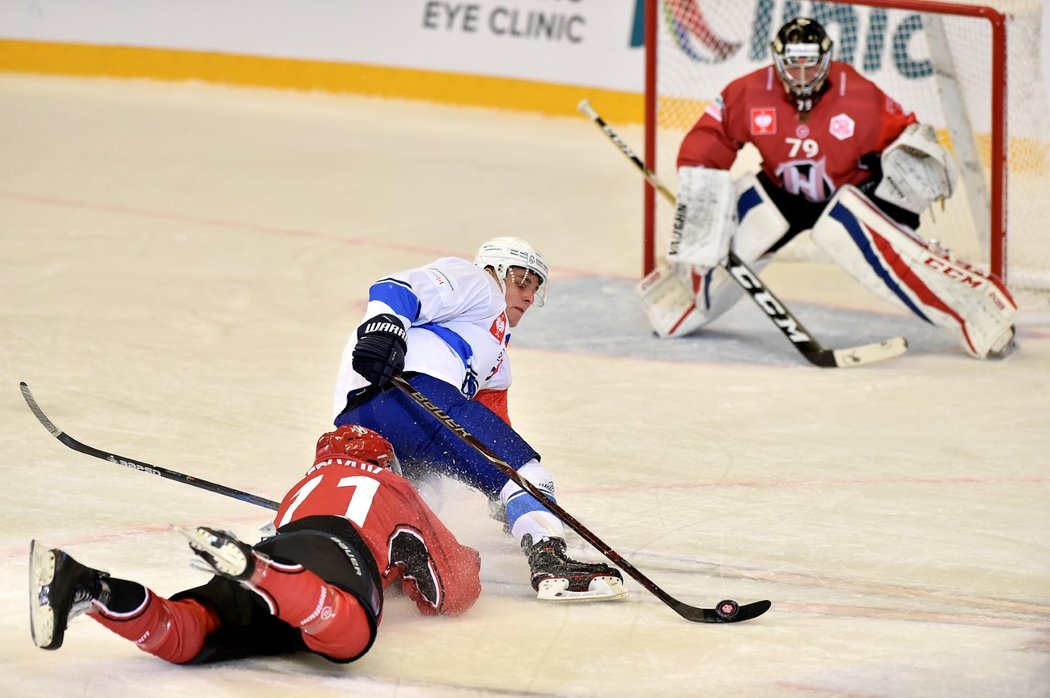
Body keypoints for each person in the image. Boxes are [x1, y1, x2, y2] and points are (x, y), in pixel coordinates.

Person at [637, 16, 1017, 359]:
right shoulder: (749, 93)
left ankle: (978, 310)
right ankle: (685, 299)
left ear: (827, 59)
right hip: (780, 192)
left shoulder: (859, 96)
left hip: (846, 192)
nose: (802, 73)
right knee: (730, 235)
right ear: (777, 60)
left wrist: (907, 184)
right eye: (793, 62)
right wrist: (702, 195)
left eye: (810, 62)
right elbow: (711, 136)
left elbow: (906, 138)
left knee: (850, 234)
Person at [29, 425, 482, 664]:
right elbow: (453, 588)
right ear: (384, 462)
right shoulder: (393, 487)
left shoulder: (301, 489)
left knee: (190, 633)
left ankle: (93, 589)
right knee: (350, 635)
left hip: (282, 546)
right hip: (332, 556)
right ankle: (257, 573)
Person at [332, 236, 626, 601]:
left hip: (359, 413)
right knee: (527, 476)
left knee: (422, 501)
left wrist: (504, 498)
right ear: (497, 270)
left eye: (535, 287)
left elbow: (492, 424)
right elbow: (396, 287)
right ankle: (551, 560)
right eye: (522, 281)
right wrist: (384, 327)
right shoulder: (477, 282)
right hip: (412, 393)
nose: (529, 295)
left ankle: (354, 544)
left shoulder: (496, 353)